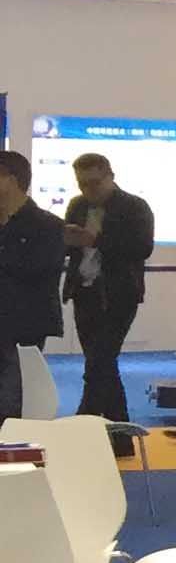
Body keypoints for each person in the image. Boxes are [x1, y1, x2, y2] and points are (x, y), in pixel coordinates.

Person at [60, 152, 153, 433]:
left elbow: (142, 248)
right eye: (82, 184)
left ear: (110, 177)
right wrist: (68, 240)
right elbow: (71, 249)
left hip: (119, 295)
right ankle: (120, 435)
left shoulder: (134, 207)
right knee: (102, 365)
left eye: (94, 183)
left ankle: (83, 424)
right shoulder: (77, 205)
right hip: (84, 292)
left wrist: (96, 240)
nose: (88, 190)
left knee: (98, 363)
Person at [0, 153, 61, 425]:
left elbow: (38, 269)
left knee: (14, 397)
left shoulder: (47, 225)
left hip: (24, 323)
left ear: (11, 180)